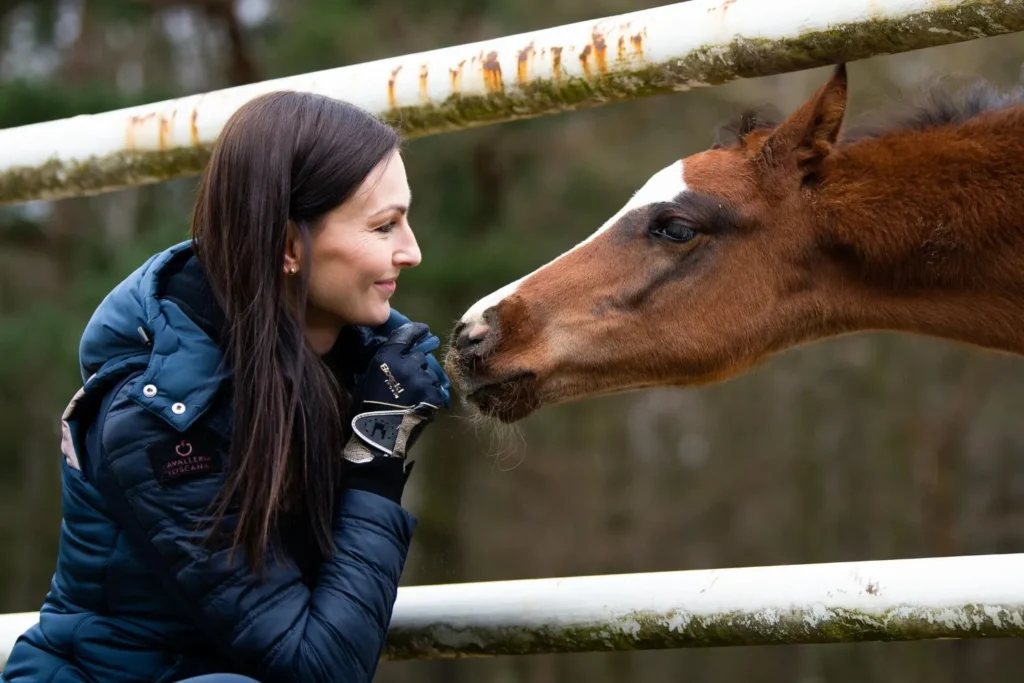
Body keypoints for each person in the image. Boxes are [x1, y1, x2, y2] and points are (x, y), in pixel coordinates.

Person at [0, 90, 451, 683]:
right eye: (384, 225)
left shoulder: (367, 367)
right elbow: (319, 668)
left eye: (406, 219)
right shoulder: (157, 419)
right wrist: (376, 447)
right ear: (290, 245)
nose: (411, 250)